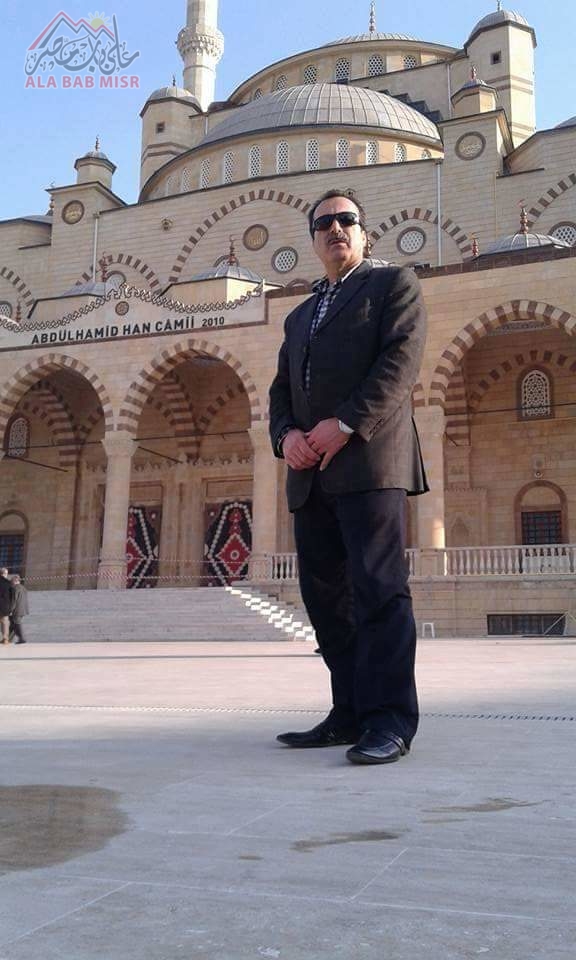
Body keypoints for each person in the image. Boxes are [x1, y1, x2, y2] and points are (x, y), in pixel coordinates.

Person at [269, 188, 428, 765]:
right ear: (314, 240)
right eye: (325, 224)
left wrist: (344, 424)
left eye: (346, 220)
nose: (335, 229)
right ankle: (350, 712)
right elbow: (281, 390)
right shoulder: (298, 315)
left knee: (379, 592)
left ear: (364, 233)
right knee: (327, 600)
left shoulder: (391, 285)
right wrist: (286, 436)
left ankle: (390, 720)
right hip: (310, 474)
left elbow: (399, 364)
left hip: (368, 463)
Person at [9, 575, 29, 645]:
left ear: (14, 581)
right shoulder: (23, 588)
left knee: (17, 623)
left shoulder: (15, 588)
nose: (11, 583)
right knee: (13, 624)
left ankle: (22, 638)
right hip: (23, 609)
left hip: (17, 610)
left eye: (11, 581)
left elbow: (14, 600)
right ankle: (8, 639)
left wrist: (10, 610)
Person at [0, 568, 14, 645]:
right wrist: (11, 607)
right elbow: (12, 596)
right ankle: (5, 639)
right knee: (5, 623)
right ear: (5, 574)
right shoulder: (8, 583)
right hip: (5, 607)